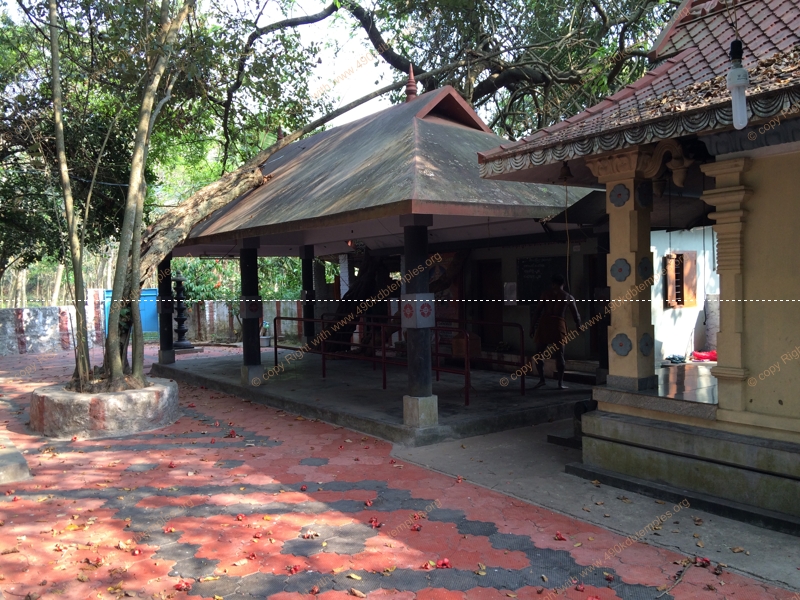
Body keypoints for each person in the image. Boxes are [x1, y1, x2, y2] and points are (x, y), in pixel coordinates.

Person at [529, 274, 580, 389]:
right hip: (558, 324)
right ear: (564, 284)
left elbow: (537, 311)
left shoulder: (545, 294)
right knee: (560, 354)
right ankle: (560, 383)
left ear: (552, 284)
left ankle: (542, 380)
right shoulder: (568, 297)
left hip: (545, 323)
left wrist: (532, 327)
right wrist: (579, 325)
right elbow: (576, 314)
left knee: (539, 353)